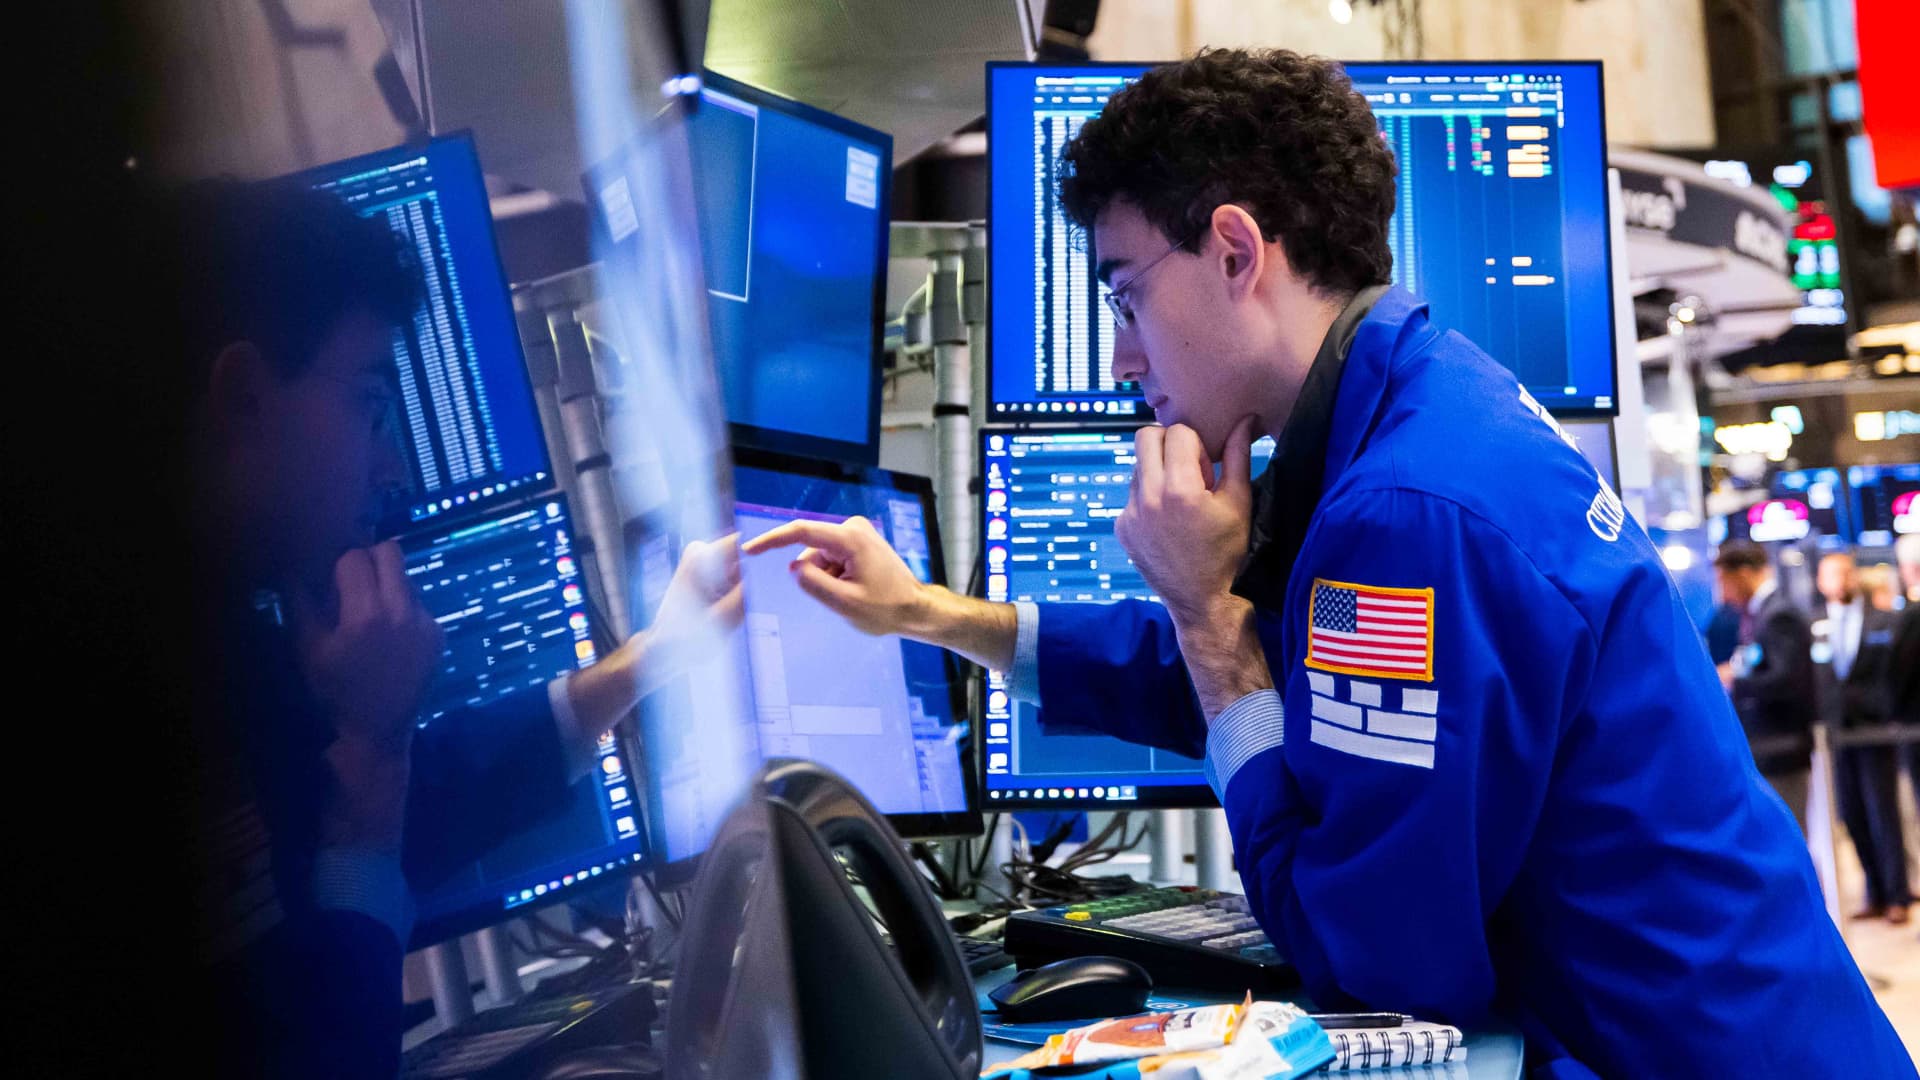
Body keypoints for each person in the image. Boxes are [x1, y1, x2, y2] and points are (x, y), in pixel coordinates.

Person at [744, 48, 1909, 1077]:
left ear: (1235, 249)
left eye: (1128, 293)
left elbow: (1377, 961)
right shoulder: (1414, 404)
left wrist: (1205, 614)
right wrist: (931, 614)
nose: (1120, 358)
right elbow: (1283, 664)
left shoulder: (1404, 515)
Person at [169, 180, 739, 1077]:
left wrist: (650, 659)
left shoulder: (227, 643)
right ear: (242, 398)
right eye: (369, 405)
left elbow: (396, 808)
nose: (392, 465)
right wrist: (370, 751)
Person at [1815, 551, 1909, 923]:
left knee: (1882, 812)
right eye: (1831, 575)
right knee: (1851, 814)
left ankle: (1897, 894)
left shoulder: (1883, 620)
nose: (1839, 581)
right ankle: (1875, 891)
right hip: (1836, 735)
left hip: (1875, 730)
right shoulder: (1816, 623)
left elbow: (1893, 673)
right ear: (1820, 582)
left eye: (1844, 573)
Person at [1712, 542, 1817, 831]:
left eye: (1724, 581)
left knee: (1787, 835)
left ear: (1744, 574)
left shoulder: (1779, 614)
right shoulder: (1758, 614)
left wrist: (1735, 680)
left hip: (1782, 750)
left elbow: (1788, 681)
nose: (1723, 593)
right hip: (1766, 749)